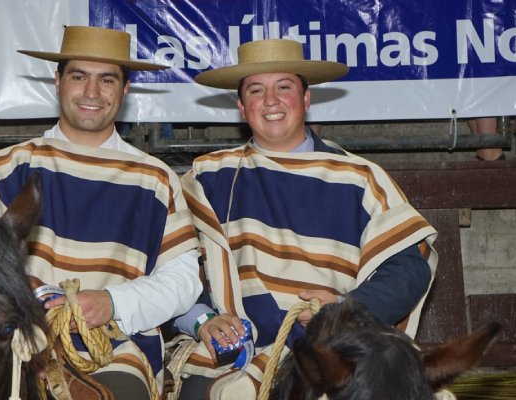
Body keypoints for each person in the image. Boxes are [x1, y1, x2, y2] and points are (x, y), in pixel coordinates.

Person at [0, 26, 201, 399]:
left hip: (114, 350)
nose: (92, 93)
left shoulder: (154, 178)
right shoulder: (16, 165)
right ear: (58, 81)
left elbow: (183, 281)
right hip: (16, 345)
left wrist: (112, 303)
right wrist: (26, 296)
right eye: (79, 76)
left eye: (106, 79)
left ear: (124, 91)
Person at [171, 39, 438, 398]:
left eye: (284, 87)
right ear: (240, 106)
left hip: (338, 346)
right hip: (239, 350)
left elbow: (408, 268)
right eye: (256, 90)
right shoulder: (208, 177)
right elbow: (175, 263)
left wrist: (345, 309)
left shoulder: (359, 177)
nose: (270, 101)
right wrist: (203, 319)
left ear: (307, 98)